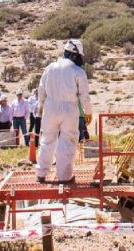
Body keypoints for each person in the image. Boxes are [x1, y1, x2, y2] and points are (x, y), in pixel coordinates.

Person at [35, 39, 92, 184]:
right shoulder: (78, 71)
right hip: (69, 109)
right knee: (68, 141)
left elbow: (41, 89)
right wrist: (88, 111)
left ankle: (41, 174)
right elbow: (84, 95)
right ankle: (64, 177)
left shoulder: (50, 67)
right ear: (74, 55)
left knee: (47, 139)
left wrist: (40, 106)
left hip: (50, 107)